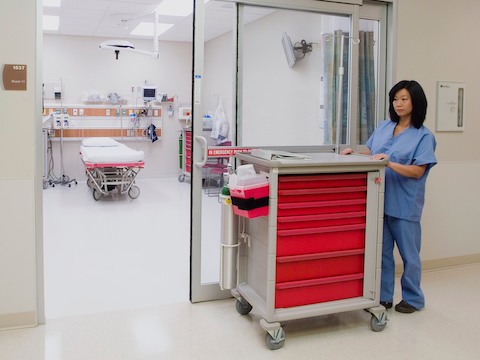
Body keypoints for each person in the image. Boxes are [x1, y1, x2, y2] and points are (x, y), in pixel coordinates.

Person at [341, 80, 437, 313]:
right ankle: (383, 296)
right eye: (395, 99)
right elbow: (372, 153)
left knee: (409, 255)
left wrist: (390, 163)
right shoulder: (384, 127)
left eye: (404, 99)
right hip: (379, 201)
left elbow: (418, 171)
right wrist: (354, 153)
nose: (399, 104)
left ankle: (413, 299)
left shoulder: (423, 136)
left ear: (416, 102)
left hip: (405, 204)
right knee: (382, 253)